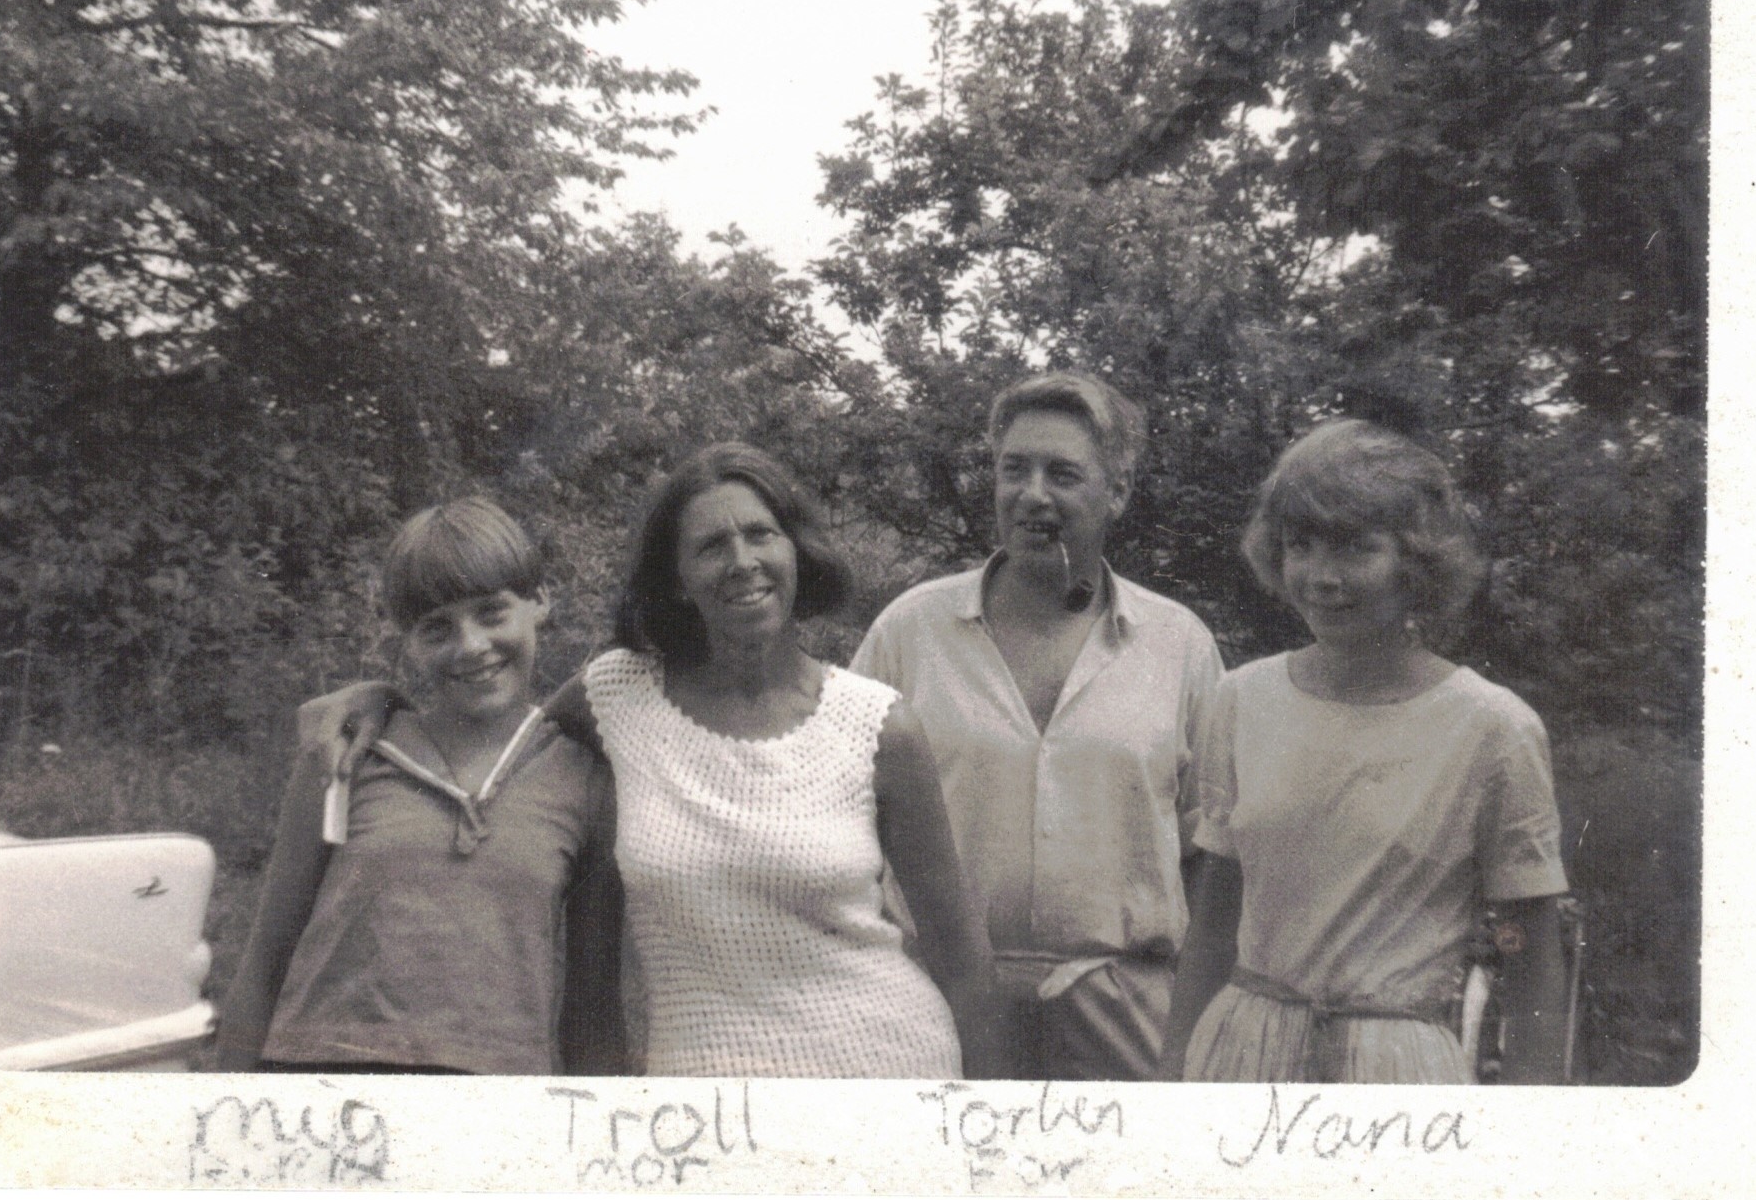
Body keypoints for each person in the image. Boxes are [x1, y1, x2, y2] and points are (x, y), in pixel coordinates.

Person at [299, 444, 1006, 1079]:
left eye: (761, 533)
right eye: (710, 546)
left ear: (797, 550)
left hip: (887, 1076)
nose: (742, 562)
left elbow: (966, 969)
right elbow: (496, 744)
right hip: (697, 1106)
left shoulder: (879, 725)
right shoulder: (616, 694)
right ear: (675, 579)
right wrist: (380, 698)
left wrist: (994, 1146)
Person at [1162, 419, 1570, 1084]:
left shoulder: (1494, 727)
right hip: (1242, 1053)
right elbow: (1215, 918)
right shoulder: (1241, 698)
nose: (1322, 576)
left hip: (1398, 1068)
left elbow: (1528, 942)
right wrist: (1170, 1076)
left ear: (1414, 560)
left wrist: (1532, 1124)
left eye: (1355, 548)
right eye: (1302, 545)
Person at [850, 372, 1224, 1081]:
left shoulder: (1179, 644)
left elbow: (1214, 857)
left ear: (1116, 491)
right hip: (934, 1005)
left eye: (1063, 473)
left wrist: (1190, 1033)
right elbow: (837, 817)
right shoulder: (910, 631)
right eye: (1013, 469)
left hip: (1128, 1015)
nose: (1032, 494)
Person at [213, 498, 623, 1075]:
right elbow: (263, 960)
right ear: (404, 640)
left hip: (488, 1096)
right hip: (320, 1080)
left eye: (491, 612)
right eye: (436, 628)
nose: (471, 646)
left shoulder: (583, 776)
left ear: (539, 602)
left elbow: (592, 1001)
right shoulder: (348, 750)